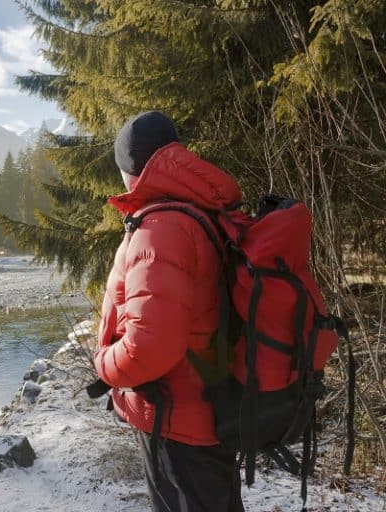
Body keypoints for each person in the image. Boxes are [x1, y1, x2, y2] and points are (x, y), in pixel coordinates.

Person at [92, 111, 245, 512]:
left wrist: (103, 364)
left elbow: (150, 347)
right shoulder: (196, 210)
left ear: (131, 168)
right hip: (205, 407)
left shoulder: (161, 228)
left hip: (178, 423)